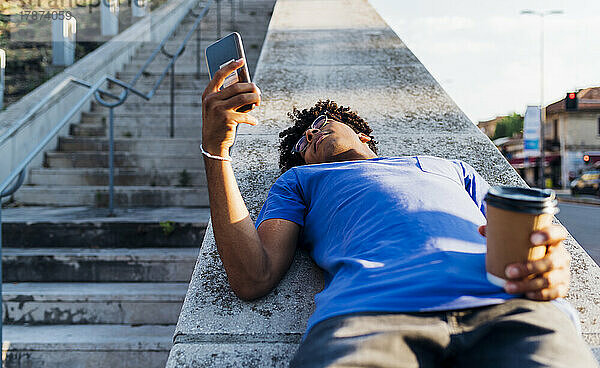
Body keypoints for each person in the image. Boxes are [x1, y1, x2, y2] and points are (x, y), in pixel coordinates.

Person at [201, 59, 598, 368]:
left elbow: (520, 236)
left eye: (319, 124)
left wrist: (550, 263)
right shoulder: (302, 180)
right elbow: (253, 276)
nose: (310, 136)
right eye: (302, 144)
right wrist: (216, 151)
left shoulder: (451, 168)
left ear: (363, 135)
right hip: (368, 317)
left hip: (508, 307)